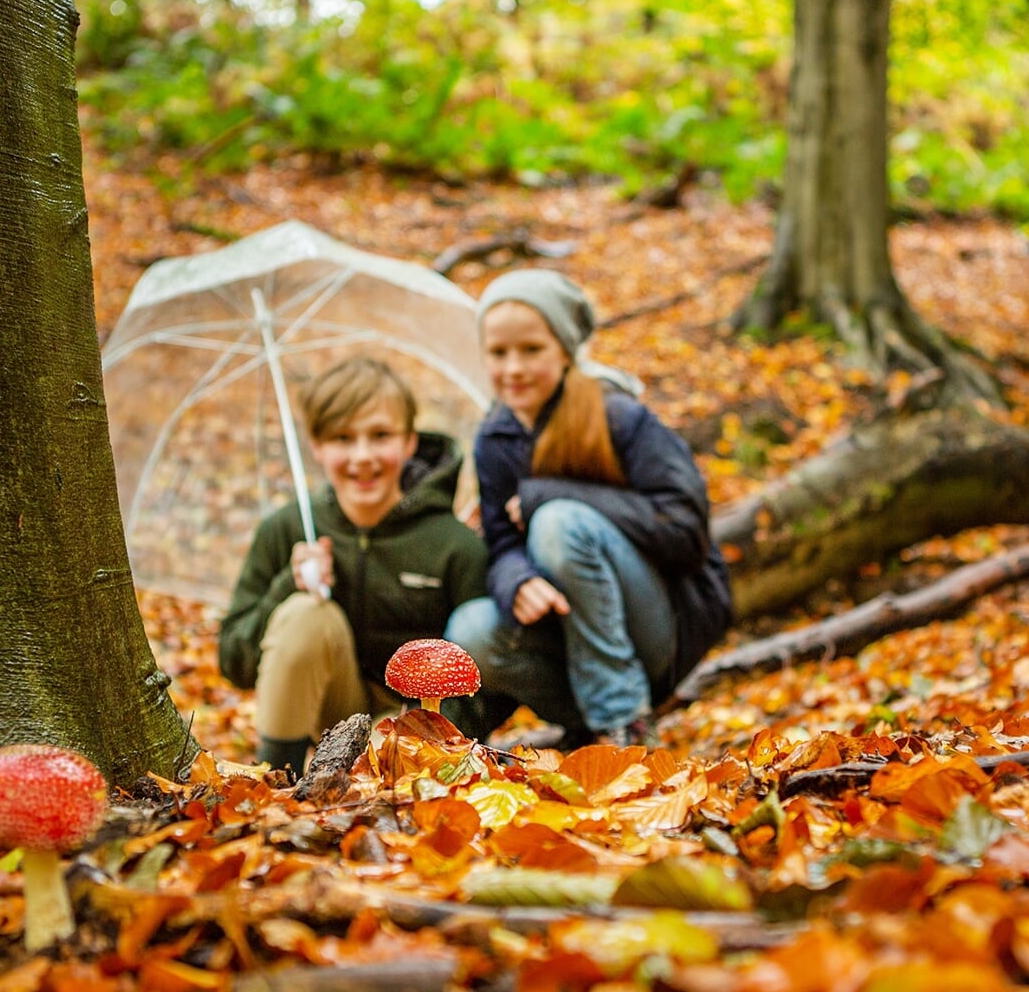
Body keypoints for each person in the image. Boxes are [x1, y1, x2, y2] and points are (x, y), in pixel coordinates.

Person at [445, 270, 732, 746]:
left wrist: (548, 495)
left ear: (564, 349)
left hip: (663, 624)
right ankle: (589, 725)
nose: (513, 368)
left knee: (558, 523)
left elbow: (685, 530)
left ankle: (627, 729)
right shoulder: (495, 437)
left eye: (531, 350)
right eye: (499, 353)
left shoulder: (617, 415)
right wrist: (518, 580)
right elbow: (501, 542)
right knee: (470, 629)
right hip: (570, 634)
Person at [218, 357, 500, 771]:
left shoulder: (454, 546)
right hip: (330, 714)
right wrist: (289, 585)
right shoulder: (288, 529)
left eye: (380, 435)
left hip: (415, 729)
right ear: (316, 445)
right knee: (304, 614)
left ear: (409, 442)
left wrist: (430, 738)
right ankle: (279, 780)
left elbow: (485, 681)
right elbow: (235, 664)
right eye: (343, 438)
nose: (362, 456)